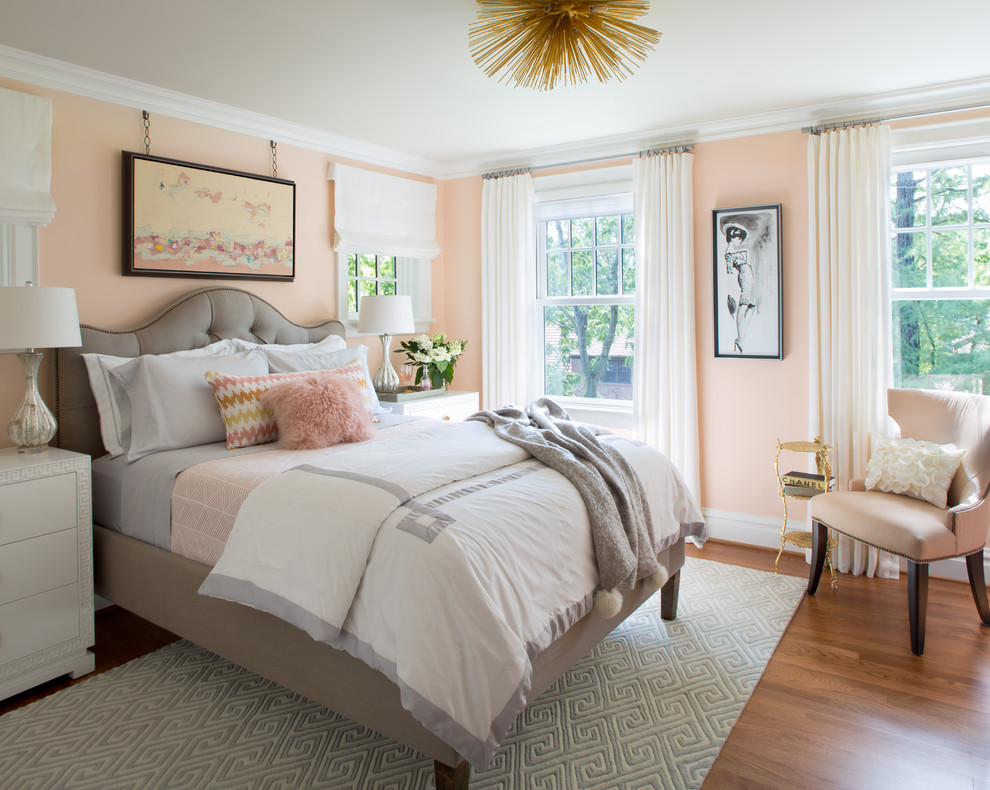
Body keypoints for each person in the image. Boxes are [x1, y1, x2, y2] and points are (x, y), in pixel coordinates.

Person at [724, 224, 756, 354]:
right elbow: (729, 272)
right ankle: (740, 338)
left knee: (751, 306)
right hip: (744, 275)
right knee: (744, 304)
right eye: (739, 238)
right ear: (732, 237)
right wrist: (730, 291)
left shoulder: (734, 251)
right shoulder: (728, 253)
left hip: (748, 274)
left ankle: (741, 337)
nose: (740, 241)